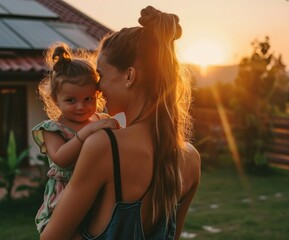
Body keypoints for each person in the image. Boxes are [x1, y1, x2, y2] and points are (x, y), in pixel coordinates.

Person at [41, 6, 201, 240]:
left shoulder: (104, 145)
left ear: (129, 76)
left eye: (101, 76)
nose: (96, 88)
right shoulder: (191, 159)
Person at [32, 42, 119, 233]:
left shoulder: (101, 120)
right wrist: (86, 132)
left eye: (88, 99)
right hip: (66, 196)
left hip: (98, 190)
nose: (81, 106)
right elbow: (61, 159)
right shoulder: (53, 129)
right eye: (71, 100)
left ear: (98, 95)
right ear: (56, 99)